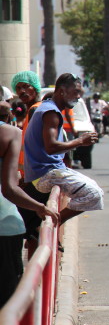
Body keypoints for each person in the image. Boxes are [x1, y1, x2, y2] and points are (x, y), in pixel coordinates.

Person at [23, 73, 103, 225]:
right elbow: (51, 147)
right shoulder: (51, 112)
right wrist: (80, 141)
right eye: (75, 92)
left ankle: (50, 225)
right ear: (61, 91)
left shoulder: (48, 108)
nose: (78, 97)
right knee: (94, 194)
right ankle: (54, 223)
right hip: (46, 173)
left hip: (47, 170)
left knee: (95, 187)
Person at [1, 114, 59, 307]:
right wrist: (40, 208)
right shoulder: (10, 133)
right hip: (4, 225)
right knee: (8, 303)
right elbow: (9, 189)